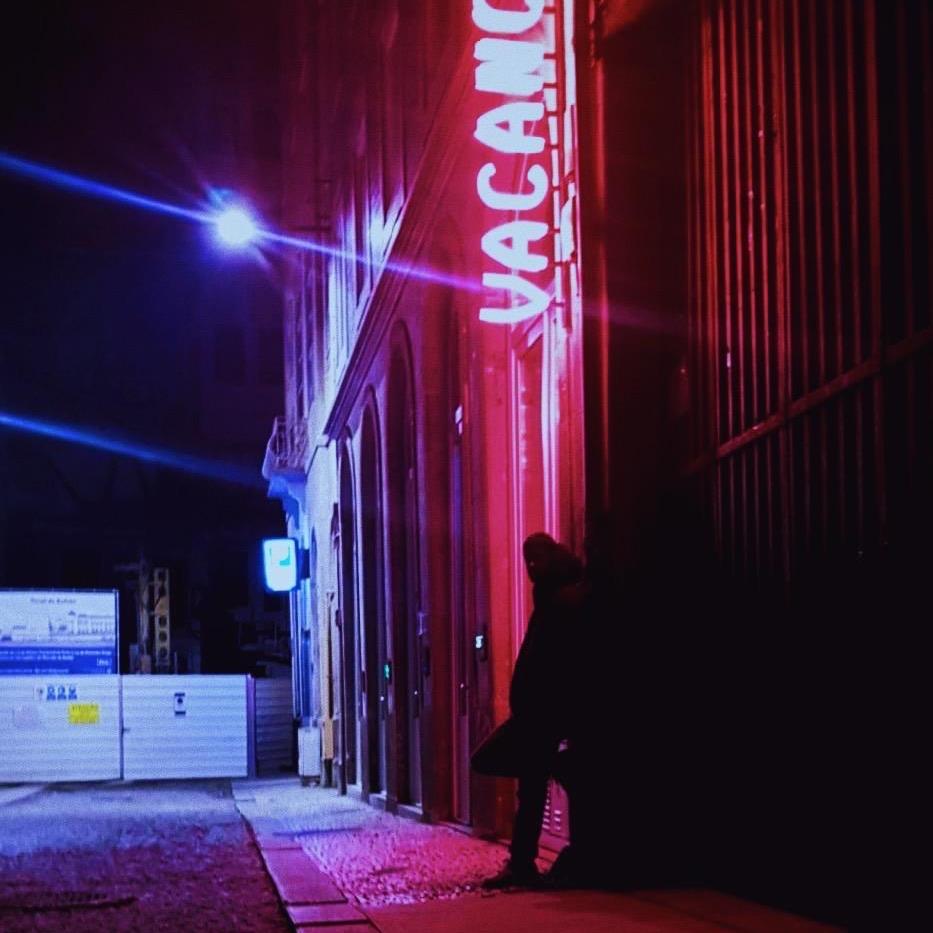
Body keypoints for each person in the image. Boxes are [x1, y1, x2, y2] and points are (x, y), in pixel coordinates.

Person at [471, 532, 583, 889]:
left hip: (543, 714)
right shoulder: (548, 597)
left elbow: (560, 659)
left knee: (521, 782)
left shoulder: (561, 600)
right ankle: (521, 862)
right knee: (528, 787)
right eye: (527, 561)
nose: (531, 567)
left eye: (537, 559)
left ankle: (521, 862)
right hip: (535, 715)